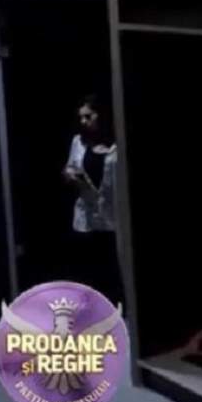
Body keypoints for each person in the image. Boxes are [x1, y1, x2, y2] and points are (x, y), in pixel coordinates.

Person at [61, 94, 123, 306]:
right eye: (81, 117)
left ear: (101, 115)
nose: (83, 121)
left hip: (112, 219)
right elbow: (69, 167)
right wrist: (70, 176)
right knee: (90, 274)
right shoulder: (78, 142)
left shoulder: (117, 144)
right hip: (86, 218)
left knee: (114, 272)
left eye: (88, 116)